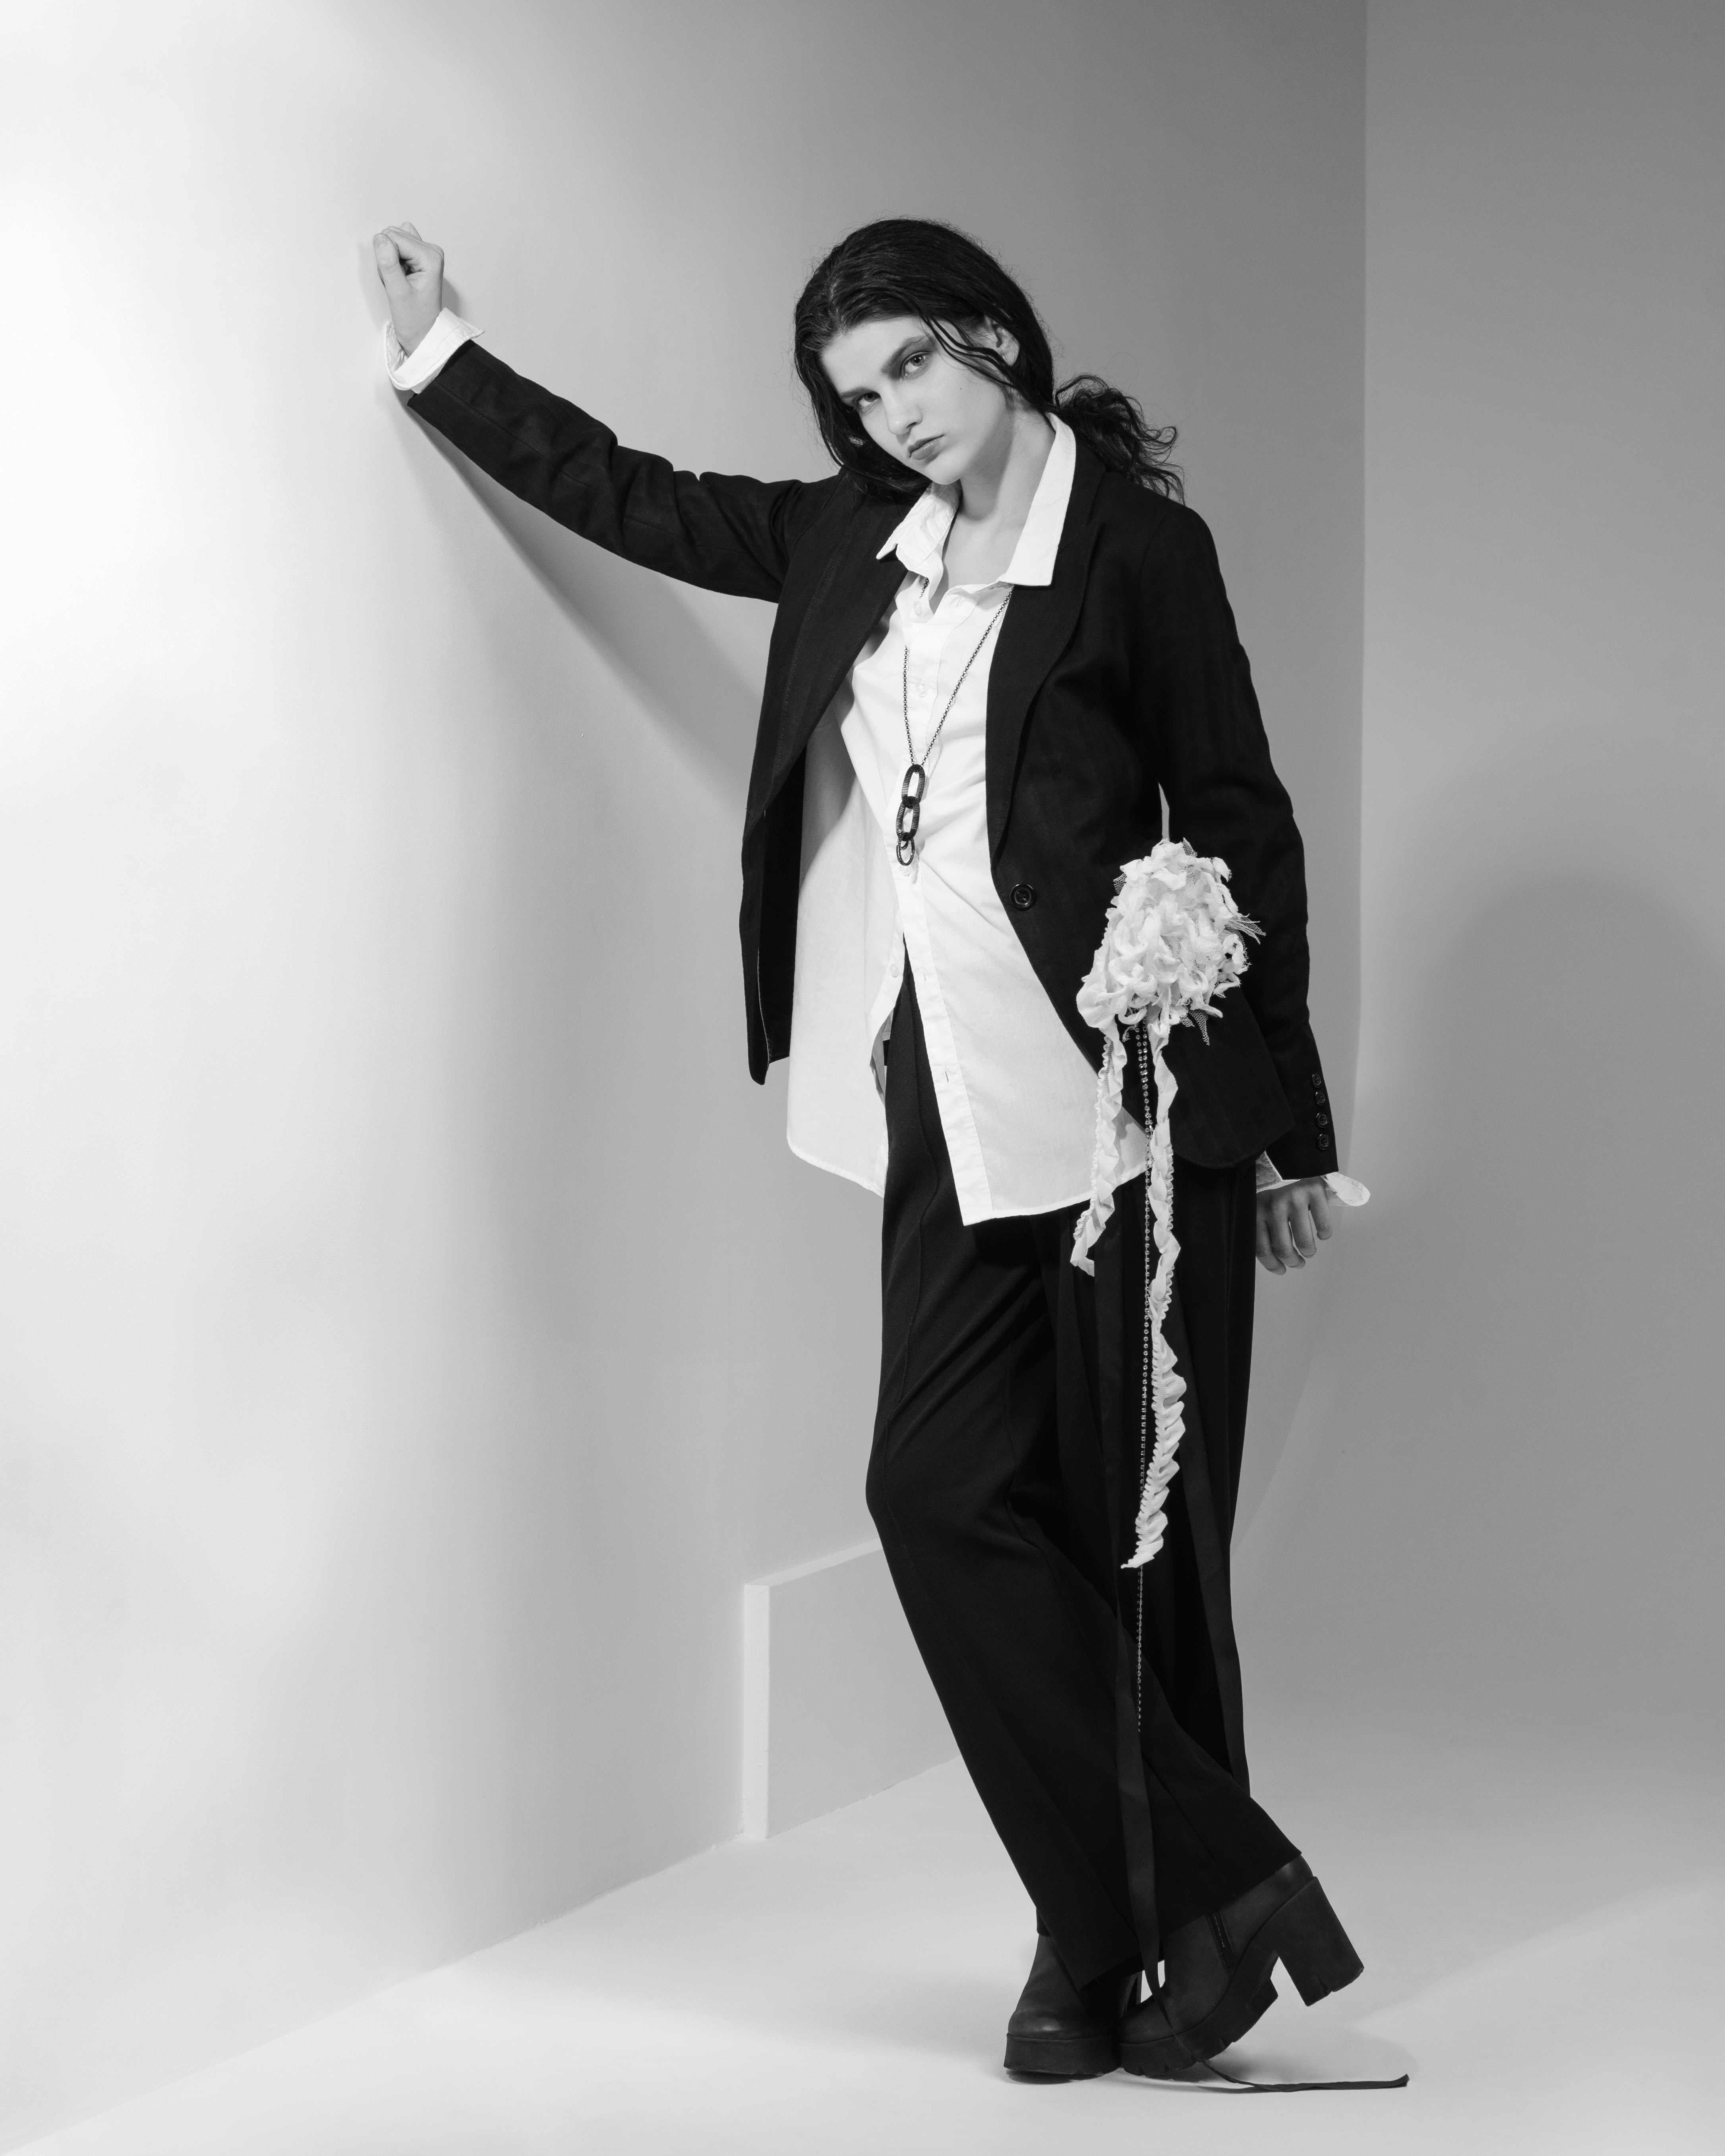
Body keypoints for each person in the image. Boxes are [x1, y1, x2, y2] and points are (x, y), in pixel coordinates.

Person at [373, 214, 1368, 2083]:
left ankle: (1117, 1949)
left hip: (1132, 1121)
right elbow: (642, 501)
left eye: (912, 364)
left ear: (989, 332)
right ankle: (1189, 1902)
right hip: (948, 1101)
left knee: (1147, 1554)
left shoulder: (1137, 553)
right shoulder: (854, 537)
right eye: (857, 398)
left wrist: (1291, 1126)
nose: (894, 416)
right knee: (936, 1492)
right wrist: (443, 365)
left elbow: (1246, 821)